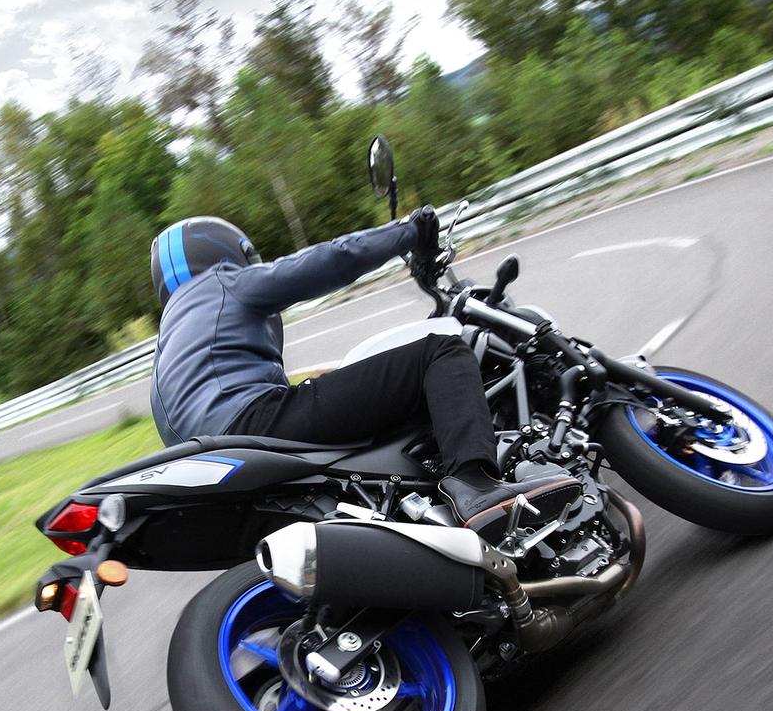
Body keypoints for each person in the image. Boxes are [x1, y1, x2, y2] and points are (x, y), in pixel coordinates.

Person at [147, 210, 579, 542]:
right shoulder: (222, 283)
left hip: (228, 456)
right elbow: (330, 260)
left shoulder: (168, 342)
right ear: (225, 251)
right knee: (440, 353)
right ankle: (475, 487)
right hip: (259, 423)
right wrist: (408, 232)